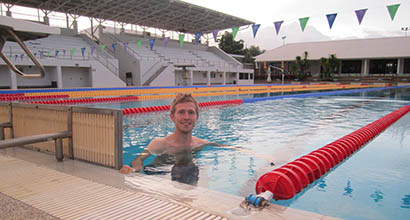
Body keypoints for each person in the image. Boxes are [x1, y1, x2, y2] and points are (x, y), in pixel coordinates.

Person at [120, 93, 219, 184]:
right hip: (159, 175)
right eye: (181, 112)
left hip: (186, 177)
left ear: (196, 117)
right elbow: (138, 160)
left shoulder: (200, 144)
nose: (186, 117)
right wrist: (132, 170)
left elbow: (225, 147)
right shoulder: (159, 144)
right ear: (172, 117)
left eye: (191, 112)